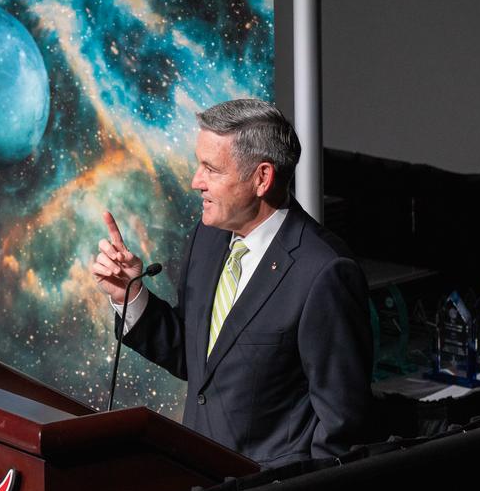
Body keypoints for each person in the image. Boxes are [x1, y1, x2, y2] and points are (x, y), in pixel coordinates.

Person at [90, 99, 372, 466]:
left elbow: (343, 427)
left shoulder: (323, 272)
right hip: (199, 489)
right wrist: (131, 295)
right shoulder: (208, 239)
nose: (196, 182)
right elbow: (198, 361)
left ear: (262, 178)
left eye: (211, 168)